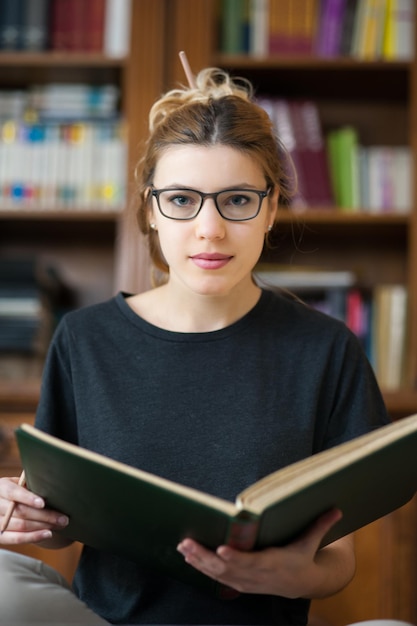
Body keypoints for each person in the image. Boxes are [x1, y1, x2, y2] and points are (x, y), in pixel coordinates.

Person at [0, 66, 389, 625]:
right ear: (153, 210)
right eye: (182, 200)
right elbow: (62, 529)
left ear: (271, 207)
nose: (209, 228)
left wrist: (294, 576)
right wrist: (23, 513)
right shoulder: (84, 339)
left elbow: (340, 559)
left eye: (236, 200)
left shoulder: (326, 350)